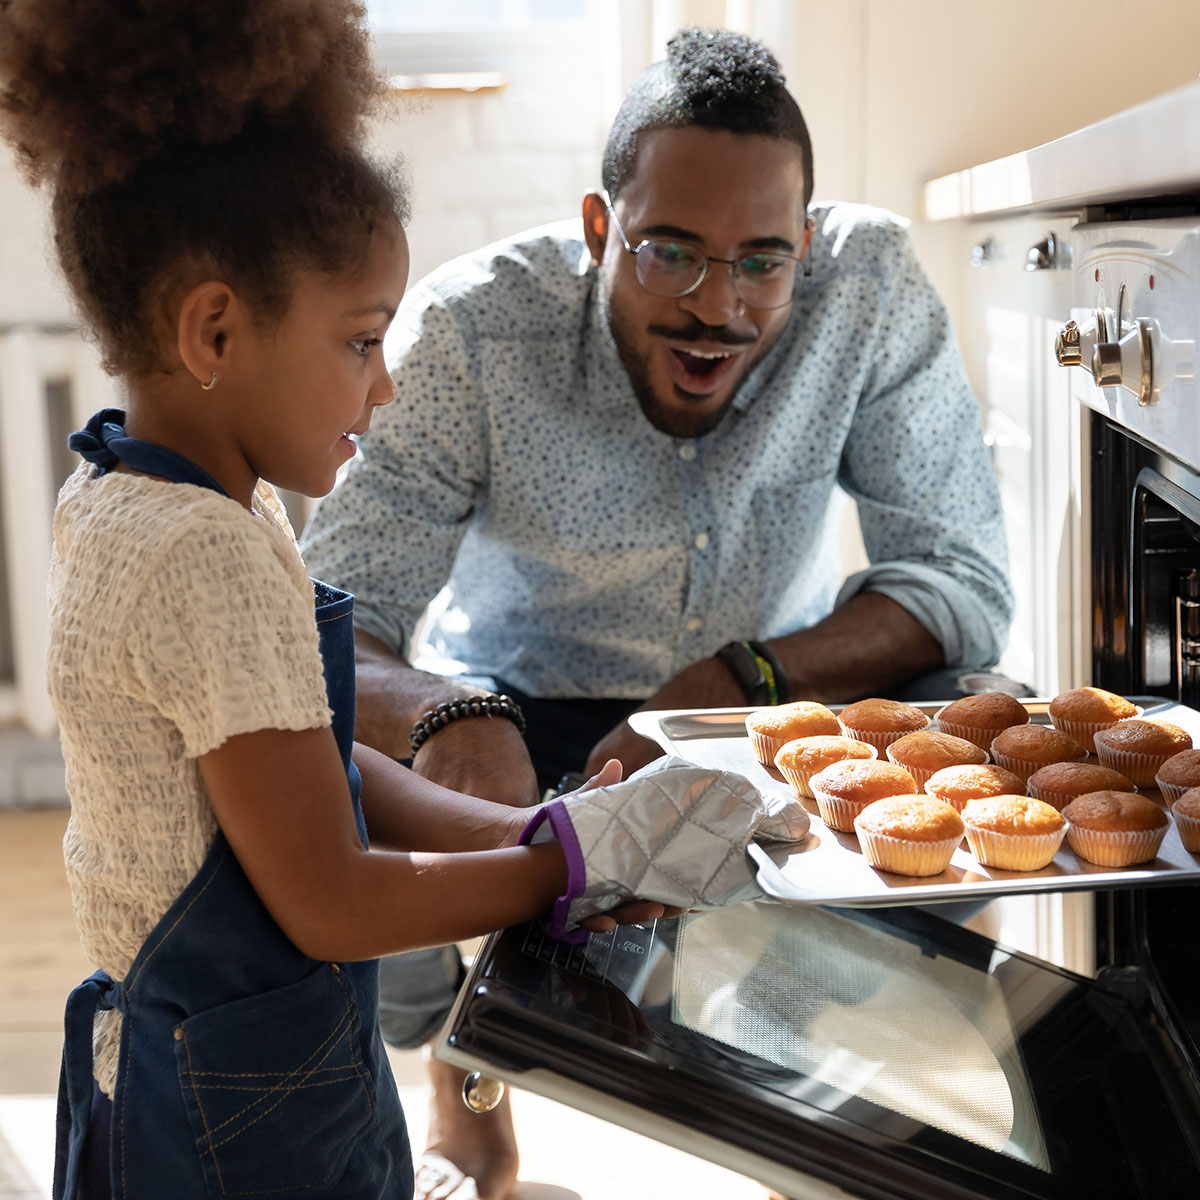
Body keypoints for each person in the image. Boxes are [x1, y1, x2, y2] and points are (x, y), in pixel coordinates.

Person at [0, 6, 802, 1197]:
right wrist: (572, 869)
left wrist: (536, 833)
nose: (384, 388)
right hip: (238, 1115)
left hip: (242, 1056)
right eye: (362, 341)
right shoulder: (202, 556)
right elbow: (327, 895)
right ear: (214, 328)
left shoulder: (151, 496)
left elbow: (301, 763)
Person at [300, 23, 1013, 1200]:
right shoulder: (470, 333)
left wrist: (737, 682)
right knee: (320, 774)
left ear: (810, 245)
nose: (718, 308)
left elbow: (959, 581)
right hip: (517, 716)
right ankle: (466, 1083)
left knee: (978, 711)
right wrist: (448, 711)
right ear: (599, 231)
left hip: (766, 706)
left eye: (762, 262)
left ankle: (815, 1083)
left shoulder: (869, 288)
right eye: (671, 252)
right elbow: (333, 616)